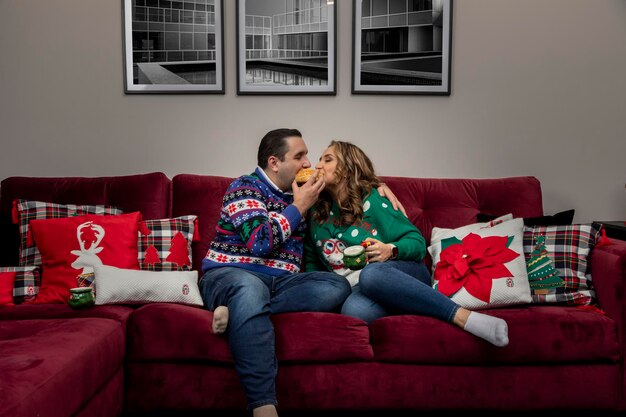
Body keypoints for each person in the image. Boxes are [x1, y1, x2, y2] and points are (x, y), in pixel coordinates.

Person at [199, 129, 405, 417]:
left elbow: (348, 184)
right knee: (249, 289)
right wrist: (299, 207)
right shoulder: (245, 187)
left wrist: (378, 186)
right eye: (299, 156)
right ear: (274, 162)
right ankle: (263, 406)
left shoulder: (306, 191)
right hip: (232, 273)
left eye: (308, 155)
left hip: (283, 283)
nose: (308, 163)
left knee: (335, 286)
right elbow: (259, 242)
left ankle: (239, 312)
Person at [304, 140, 509, 348]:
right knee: (355, 312)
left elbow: (417, 243)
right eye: (319, 159)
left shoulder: (373, 201)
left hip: (401, 272)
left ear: (348, 169)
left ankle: (463, 316)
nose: (318, 165)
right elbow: (313, 263)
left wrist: (390, 250)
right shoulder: (315, 213)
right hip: (359, 289)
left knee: (371, 274)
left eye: (327, 159)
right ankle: (412, 301)